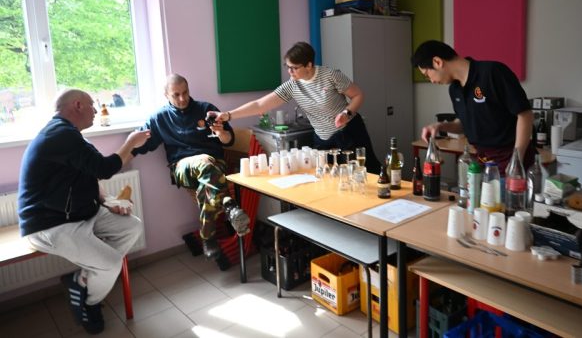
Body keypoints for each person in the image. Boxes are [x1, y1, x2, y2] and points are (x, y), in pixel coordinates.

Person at [18, 89, 150, 334]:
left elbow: (89, 175)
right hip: (50, 224)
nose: (96, 110)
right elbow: (104, 168)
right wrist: (131, 142)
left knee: (132, 226)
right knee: (111, 263)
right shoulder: (59, 135)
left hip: (80, 214)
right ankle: (90, 302)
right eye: (92, 104)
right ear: (77, 105)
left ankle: (82, 279)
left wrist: (107, 200)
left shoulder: (72, 136)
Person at [131, 74, 250, 269]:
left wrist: (221, 132)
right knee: (204, 163)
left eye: (185, 92)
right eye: (176, 95)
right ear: (166, 95)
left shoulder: (205, 109)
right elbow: (140, 144)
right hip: (182, 168)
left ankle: (208, 235)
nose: (182, 98)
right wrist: (123, 152)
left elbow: (229, 140)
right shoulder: (159, 118)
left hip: (215, 166)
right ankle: (228, 204)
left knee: (208, 174)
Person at [211, 41, 381, 172]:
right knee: (330, 179)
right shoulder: (292, 85)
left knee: (367, 173)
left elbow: (358, 95)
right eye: (288, 67)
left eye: (294, 68)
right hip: (322, 138)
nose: (290, 72)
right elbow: (260, 104)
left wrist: (346, 113)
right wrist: (228, 115)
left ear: (309, 65)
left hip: (348, 132)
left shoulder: (331, 76)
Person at [411, 40, 535, 173]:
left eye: (427, 75)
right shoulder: (454, 89)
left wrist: (517, 160)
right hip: (482, 159)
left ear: (437, 62)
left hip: (511, 156)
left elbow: (525, 114)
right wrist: (440, 126)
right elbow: (464, 124)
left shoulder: (493, 72)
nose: (431, 81)